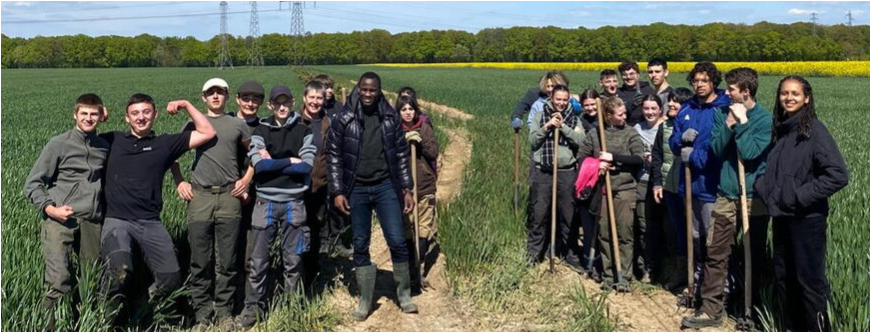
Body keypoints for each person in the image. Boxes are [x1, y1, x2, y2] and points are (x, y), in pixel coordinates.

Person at [100, 93, 215, 320]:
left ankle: (140, 312)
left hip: (150, 222)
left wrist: (186, 104)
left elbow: (207, 132)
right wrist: (98, 115)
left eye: (146, 112)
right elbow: (83, 136)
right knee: (119, 271)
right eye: (135, 113)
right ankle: (105, 318)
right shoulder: (112, 139)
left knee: (170, 280)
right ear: (126, 118)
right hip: (118, 221)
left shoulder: (164, 144)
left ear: (155, 114)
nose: (141, 118)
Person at [682, 67, 773, 328]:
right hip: (725, 195)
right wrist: (730, 124)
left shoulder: (764, 119)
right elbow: (717, 149)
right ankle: (711, 309)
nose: (726, 92)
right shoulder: (723, 113)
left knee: (751, 254)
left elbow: (751, 152)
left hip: (752, 198)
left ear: (745, 92)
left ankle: (750, 309)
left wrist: (743, 124)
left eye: (731, 89)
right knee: (716, 252)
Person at [756, 76, 848, 332]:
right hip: (783, 218)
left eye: (795, 93)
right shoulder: (783, 131)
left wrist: (797, 196)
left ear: (807, 98)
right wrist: (764, 188)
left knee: (809, 284)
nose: (789, 97)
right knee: (785, 280)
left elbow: (838, 174)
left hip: (807, 221)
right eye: (784, 93)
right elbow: (772, 171)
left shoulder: (815, 131)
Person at [327, 72, 418, 320]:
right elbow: (333, 157)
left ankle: (404, 294)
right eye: (364, 90)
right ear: (358, 89)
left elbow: (401, 156)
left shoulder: (390, 119)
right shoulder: (343, 119)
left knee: (397, 240)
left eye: (373, 90)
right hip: (356, 188)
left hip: (386, 186)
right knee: (360, 242)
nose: (368, 94)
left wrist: (406, 189)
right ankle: (366, 299)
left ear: (379, 91)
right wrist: (337, 191)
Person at [168, 78, 251, 329]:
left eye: (220, 92)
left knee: (227, 259)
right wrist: (179, 181)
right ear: (203, 97)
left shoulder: (238, 124)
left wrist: (246, 179)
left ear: (227, 96)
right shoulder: (192, 124)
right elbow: (172, 155)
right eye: (210, 93)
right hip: (200, 197)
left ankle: (224, 311)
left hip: (229, 197)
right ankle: (202, 313)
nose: (215, 97)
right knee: (199, 259)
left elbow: (255, 155)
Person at [23, 93, 109, 332]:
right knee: (59, 279)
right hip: (60, 220)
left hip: (92, 221)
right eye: (84, 114)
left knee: (91, 279)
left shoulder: (103, 146)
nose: (89, 118)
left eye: (94, 114)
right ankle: (50, 327)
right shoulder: (58, 144)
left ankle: (86, 325)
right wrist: (51, 208)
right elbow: (32, 184)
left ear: (101, 116)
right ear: (75, 114)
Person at [239, 85, 317, 328]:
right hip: (265, 202)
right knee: (258, 262)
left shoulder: (304, 131)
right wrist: (289, 161)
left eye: (286, 102)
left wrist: (273, 161)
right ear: (270, 105)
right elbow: (260, 167)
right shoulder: (261, 130)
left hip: (294, 202)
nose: (282, 107)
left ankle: (293, 307)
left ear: (293, 103)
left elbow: (306, 167)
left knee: (293, 261)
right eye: (277, 103)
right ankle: (253, 309)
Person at [669, 61, 731, 306]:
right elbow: (674, 140)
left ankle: (719, 293)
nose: (699, 85)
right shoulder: (687, 109)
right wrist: (680, 141)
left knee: (713, 242)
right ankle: (695, 288)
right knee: (694, 238)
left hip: (711, 187)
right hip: (689, 186)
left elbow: (717, 150)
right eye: (695, 80)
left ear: (713, 81)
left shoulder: (723, 109)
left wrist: (692, 155)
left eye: (704, 80)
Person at [579, 97, 645, 291]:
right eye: (620, 114)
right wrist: (597, 164)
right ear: (608, 116)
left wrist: (614, 158)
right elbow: (582, 157)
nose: (625, 117)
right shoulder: (595, 134)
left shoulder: (630, 133)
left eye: (625, 113)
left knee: (625, 233)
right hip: (604, 190)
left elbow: (638, 159)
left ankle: (624, 275)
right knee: (605, 233)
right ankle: (609, 275)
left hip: (625, 190)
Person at [527, 85, 586, 271]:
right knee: (539, 214)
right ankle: (535, 254)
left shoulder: (575, 119)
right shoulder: (539, 116)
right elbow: (533, 141)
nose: (561, 103)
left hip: (566, 172)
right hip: (543, 171)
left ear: (568, 100)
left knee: (568, 215)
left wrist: (564, 128)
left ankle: (570, 254)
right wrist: (547, 126)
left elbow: (581, 141)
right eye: (557, 99)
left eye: (564, 100)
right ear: (551, 98)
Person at [650, 87, 694, 291]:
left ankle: (693, 275)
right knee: (674, 231)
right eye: (671, 101)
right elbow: (657, 155)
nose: (672, 105)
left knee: (691, 232)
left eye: (677, 102)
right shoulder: (664, 126)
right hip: (669, 187)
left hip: (688, 189)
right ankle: (678, 272)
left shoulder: (691, 126)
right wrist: (657, 183)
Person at [397, 94, 440, 293]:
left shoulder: (424, 127)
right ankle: (409, 272)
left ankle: (419, 269)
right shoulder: (394, 129)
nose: (408, 113)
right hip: (404, 190)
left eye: (411, 109)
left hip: (424, 187)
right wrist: (404, 144)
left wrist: (420, 142)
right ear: (399, 112)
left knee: (423, 230)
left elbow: (433, 153)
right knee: (407, 230)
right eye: (404, 109)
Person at [298, 81, 335, 285]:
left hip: (319, 187)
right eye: (311, 97)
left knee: (314, 229)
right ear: (304, 98)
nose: (315, 102)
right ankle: (297, 274)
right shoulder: (294, 121)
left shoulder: (326, 123)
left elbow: (330, 154)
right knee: (296, 230)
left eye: (319, 98)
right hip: (297, 188)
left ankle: (311, 275)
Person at [632, 94, 666, 283]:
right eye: (646, 109)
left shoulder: (665, 127)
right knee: (643, 226)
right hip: (642, 181)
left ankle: (661, 266)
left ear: (660, 109)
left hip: (662, 183)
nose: (650, 112)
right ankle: (646, 266)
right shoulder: (637, 129)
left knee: (663, 227)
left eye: (654, 108)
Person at [616, 61, 656, 126]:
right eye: (624, 75)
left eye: (631, 74)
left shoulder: (649, 91)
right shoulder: (618, 93)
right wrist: (630, 105)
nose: (628, 77)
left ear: (638, 75)